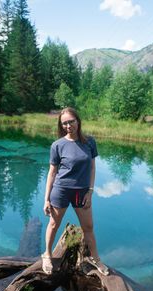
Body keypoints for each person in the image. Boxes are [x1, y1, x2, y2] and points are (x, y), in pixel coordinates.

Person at [42, 107, 109, 276]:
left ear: (78, 121)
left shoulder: (89, 142)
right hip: (61, 190)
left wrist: (90, 191)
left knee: (88, 227)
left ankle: (96, 259)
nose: (68, 125)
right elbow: (52, 173)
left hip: (82, 192)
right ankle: (47, 255)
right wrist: (46, 199)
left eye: (71, 121)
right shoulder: (57, 145)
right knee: (53, 224)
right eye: (64, 123)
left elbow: (92, 168)